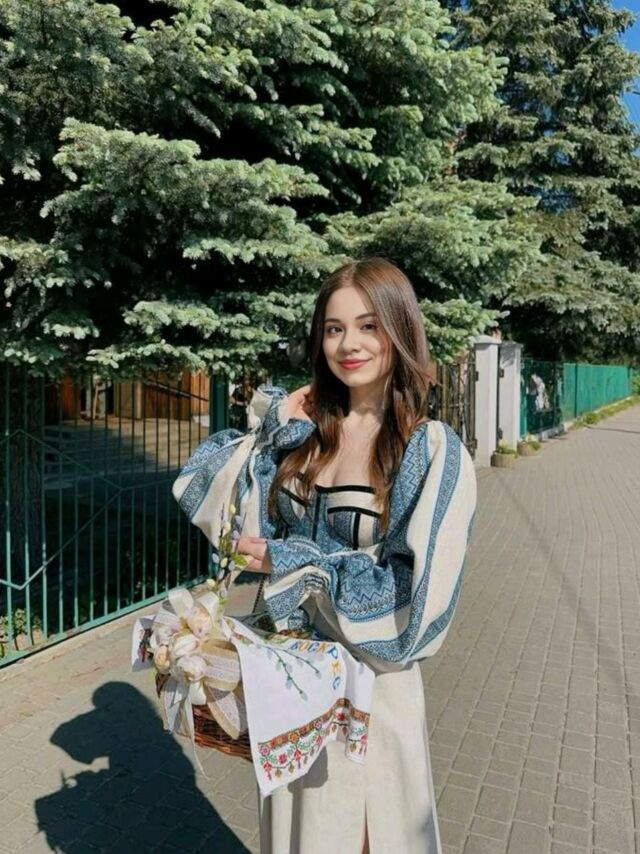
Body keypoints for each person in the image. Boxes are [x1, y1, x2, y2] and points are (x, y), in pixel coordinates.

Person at [173, 258, 477, 854]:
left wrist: (297, 566)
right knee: (297, 832)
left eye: (368, 326)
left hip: (369, 691)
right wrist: (272, 434)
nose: (349, 344)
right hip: (289, 685)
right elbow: (220, 510)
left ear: (400, 330)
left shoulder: (428, 450)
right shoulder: (309, 433)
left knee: (357, 833)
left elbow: (415, 602)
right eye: (334, 329)